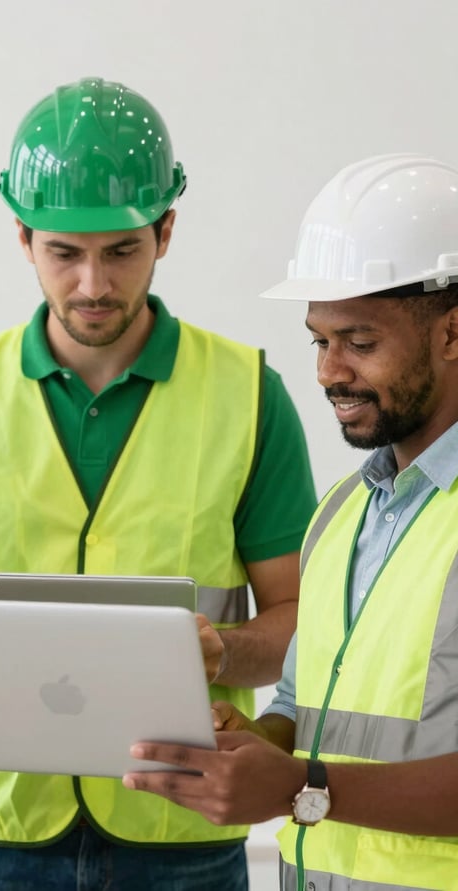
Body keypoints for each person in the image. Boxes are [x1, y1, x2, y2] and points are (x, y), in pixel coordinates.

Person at [0, 77, 316, 891]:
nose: (92, 284)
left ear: (166, 230)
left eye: (121, 250)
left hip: (183, 827)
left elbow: (303, 625)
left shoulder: (249, 393)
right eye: (64, 251)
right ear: (22, 236)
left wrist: (225, 647)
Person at [123, 153, 458, 891]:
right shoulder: (342, 512)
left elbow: (314, 777)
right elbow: (301, 703)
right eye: (319, 339)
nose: (328, 371)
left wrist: (300, 787)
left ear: (452, 333)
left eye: (360, 342)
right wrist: (254, 745)